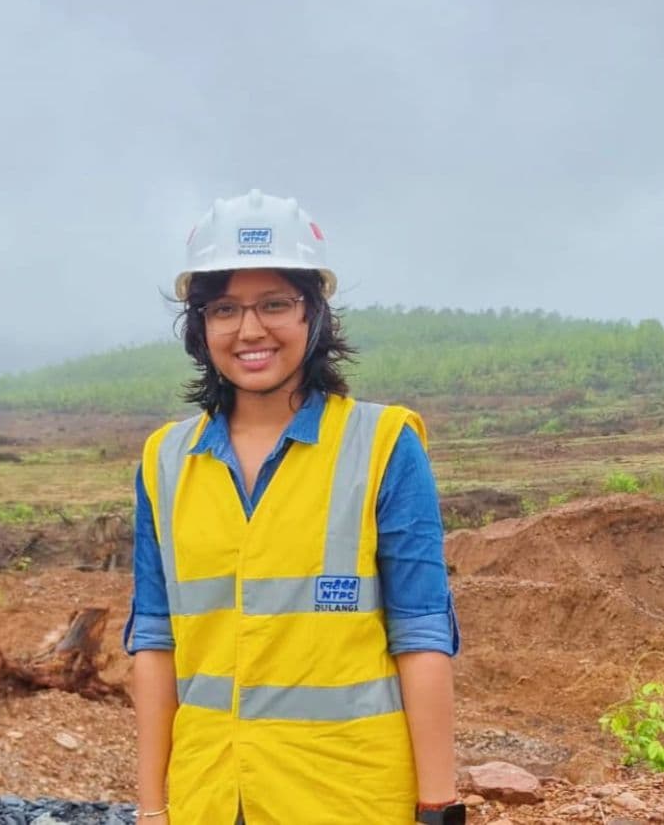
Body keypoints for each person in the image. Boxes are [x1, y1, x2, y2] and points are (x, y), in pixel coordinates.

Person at [124, 189, 463, 824]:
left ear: (315, 314)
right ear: (200, 326)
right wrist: (150, 811)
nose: (250, 330)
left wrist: (438, 808)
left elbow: (421, 634)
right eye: (225, 309)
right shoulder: (165, 461)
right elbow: (155, 639)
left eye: (275, 303)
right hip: (211, 799)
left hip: (348, 798)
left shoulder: (383, 445)